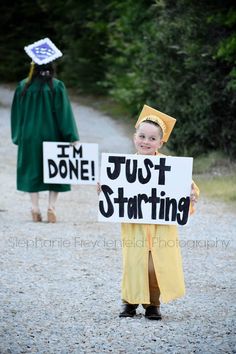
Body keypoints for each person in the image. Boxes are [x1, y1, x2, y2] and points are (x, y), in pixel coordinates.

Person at [98, 104, 199, 320]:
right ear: (135, 137)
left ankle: (153, 304)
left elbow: (187, 187)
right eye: (142, 136)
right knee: (133, 264)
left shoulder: (170, 166)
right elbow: (112, 191)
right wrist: (104, 186)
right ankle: (130, 302)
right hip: (135, 229)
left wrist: (191, 194)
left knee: (155, 268)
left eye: (152, 139)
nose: (146, 141)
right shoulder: (124, 167)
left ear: (161, 142)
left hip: (161, 230)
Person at [11, 38, 79, 223]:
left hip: (29, 136)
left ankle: (34, 208)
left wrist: (18, 136)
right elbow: (64, 114)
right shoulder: (56, 86)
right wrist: (71, 137)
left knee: (32, 169)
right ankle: (51, 207)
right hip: (52, 135)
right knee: (55, 170)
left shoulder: (23, 86)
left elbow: (17, 114)